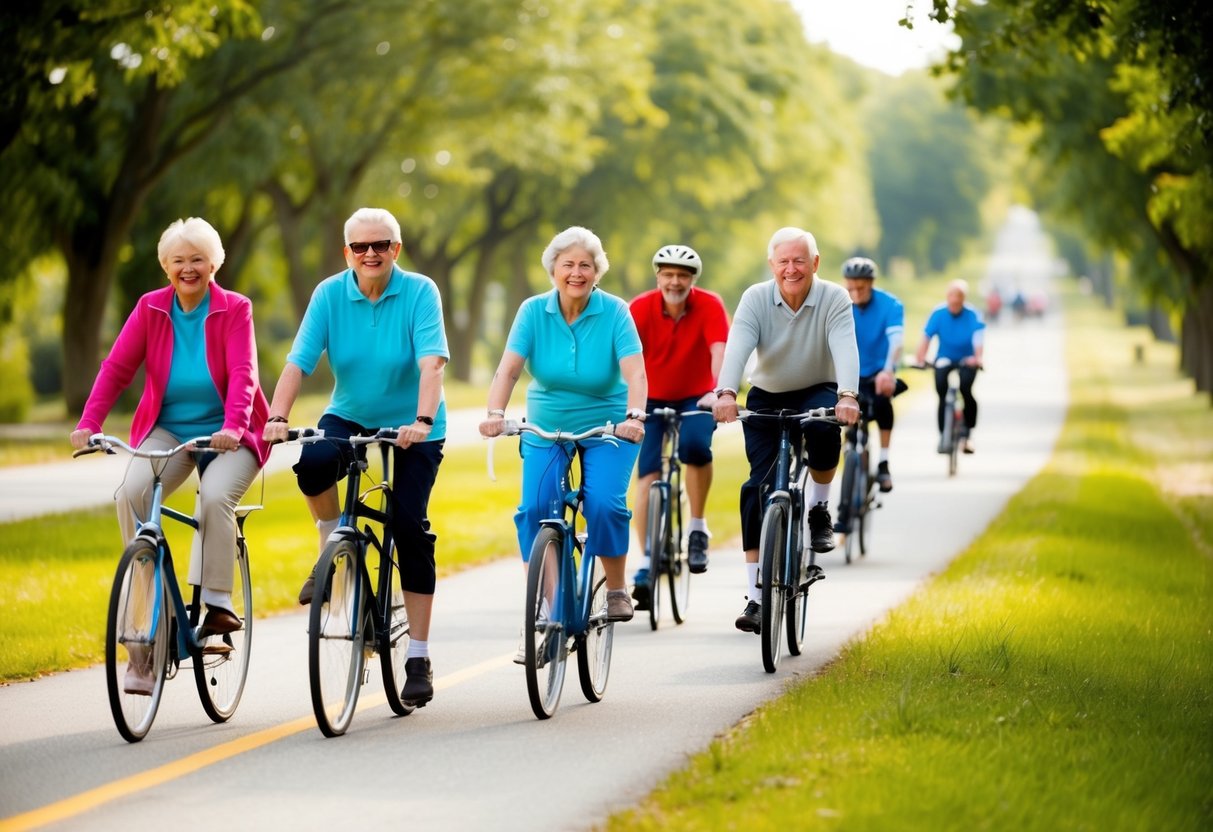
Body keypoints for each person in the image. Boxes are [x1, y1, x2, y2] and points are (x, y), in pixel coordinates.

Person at [70, 217, 271, 695]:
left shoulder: (234, 308)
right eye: (179, 260)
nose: (188, 268)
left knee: (215, 496)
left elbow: (244, 373)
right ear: (165, 266)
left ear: (213, 263)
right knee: (132, 494)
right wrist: (89, 423)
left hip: (232, 432)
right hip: (170, 429)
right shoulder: (150, 308)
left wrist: (233, 426)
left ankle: (219, 603)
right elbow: (117, 367)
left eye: (197, 259)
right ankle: (145, 629)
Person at [261, 207, 448, 709]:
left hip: (415, 424)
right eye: (361, 247)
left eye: (381, 245)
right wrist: (277, 415)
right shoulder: (328, 294)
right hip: (350, 413)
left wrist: (424, 421)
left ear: (396, 249)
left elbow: (432, 365)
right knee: (313, 465)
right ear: (347, 253)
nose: (371, 253)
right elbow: (298, 363)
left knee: (408, 528)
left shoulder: (420, 291)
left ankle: (418, 656)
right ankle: (331, 550)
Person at [479, 226, 647, 654]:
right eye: (568, 264)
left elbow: (635, 373)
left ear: (597, 272)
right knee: (535, 508)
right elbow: (509, 370)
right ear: (553, 269)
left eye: (585, 266)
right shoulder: (533, 311)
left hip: (608, 425)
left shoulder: (614, 312)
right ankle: (550, 605)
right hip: (546, 426)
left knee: (604, 503)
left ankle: (614, 586)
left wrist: (634, 416)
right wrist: (496, 414)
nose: (576, 273)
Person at [713, 227, 860, 636]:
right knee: (756, 488)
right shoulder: (756, 298)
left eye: (800, 261)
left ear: (815, 263)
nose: (791, 269)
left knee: (824, 433)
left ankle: (818, 508)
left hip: (819, 386)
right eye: (783, 261)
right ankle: (756, 598)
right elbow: (738, 343)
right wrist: (726, 391)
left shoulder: (833, 297)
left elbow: (845, 346)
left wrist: (847, 394)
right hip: (768, 392)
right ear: (772, 265)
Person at [627, 244, 729, 608]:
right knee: (648, 474)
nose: (675, 281)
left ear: (692, 280)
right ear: (658, 277)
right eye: (668, 274)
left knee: (696, 448)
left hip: (698, 397)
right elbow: (625, 357)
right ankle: (645, 559)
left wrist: (719, 392)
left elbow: (720, 351)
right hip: (650, 398)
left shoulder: (710, 305)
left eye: (682, 275)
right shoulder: (638, 308)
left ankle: (697, 528)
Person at [840, 256, 903, 496]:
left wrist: (888, 370)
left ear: (871, 284)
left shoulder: (890, 304)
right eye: (851, 288)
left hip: (879, 371)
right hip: (849, 372)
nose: (855, 293)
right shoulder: (840, 302)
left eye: (861, 288)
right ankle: (849, 453)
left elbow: (896, 341)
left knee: (882, 401)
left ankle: (884, 463)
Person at [914, 279, 985, 454]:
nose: (955, 300)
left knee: (966, 389)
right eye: (952, 296)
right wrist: (921, 359)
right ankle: (943, 435)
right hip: (944, 358)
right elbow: (926, 337)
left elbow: (978, 339)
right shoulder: (939, 313)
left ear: (964, 298)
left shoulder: (973, 314)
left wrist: (977, 358)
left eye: (959, 296)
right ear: (947, 297)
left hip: (966, 359)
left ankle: (968, 434)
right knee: (941, 391)